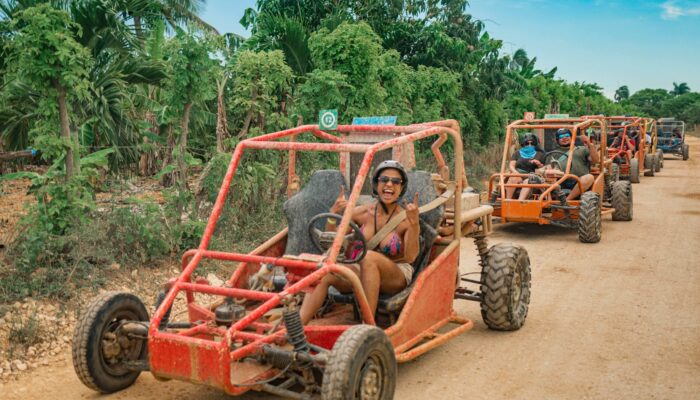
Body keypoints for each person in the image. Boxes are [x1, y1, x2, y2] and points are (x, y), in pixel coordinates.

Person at [299, 160, 421, 324]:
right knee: (326, 272)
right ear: (376, 184)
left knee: (368, 257)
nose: (389, 184)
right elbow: (333, 241)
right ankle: (295, 329)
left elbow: (411, 256)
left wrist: (414, 224)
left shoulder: (406, 219)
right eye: (384, 179)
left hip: (395, 274)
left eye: (396, 181)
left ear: (401, 187)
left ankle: (367, 326)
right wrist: (333, 213)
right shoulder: (362, 213)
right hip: (360, 270)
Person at [545, 128, 599, 201]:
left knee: (589, 177)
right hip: (559, 182)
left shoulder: (582, 149)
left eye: (567, 135)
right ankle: (550, 200)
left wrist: (589, 144)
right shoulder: (553, 153)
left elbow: (595, 160)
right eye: (561, 137)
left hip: (579, 181)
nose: (564, 138)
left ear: (571, 137)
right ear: (557, 140)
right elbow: (548, 168)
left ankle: (567, 200)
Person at [506, 133, 545, 200]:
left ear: (535, 144)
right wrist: (515, 172)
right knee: (513, 177)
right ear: (523, 144)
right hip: (518, 174)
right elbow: (511, 165)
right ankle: (507, 200)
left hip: (533, 175)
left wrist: (539, 164)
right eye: (527, 143)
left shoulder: (540, 154)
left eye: (532, 144)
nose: (529, 145)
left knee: (528, 181)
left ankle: (519, 202)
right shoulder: (517, 153)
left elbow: (544, 168)